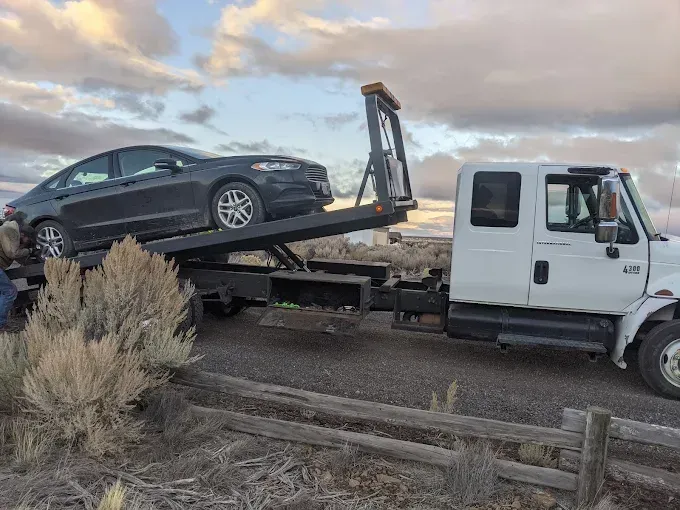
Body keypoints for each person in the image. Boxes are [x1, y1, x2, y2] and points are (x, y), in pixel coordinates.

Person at [0, 213, 37, 331]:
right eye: (28, 240)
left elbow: (18, 256)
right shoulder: (10, 231)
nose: (27, 243)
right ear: (23, 234)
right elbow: (13, 253)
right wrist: (30, 250)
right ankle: (0, 324)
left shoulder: (9, 233)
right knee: (10, 291)